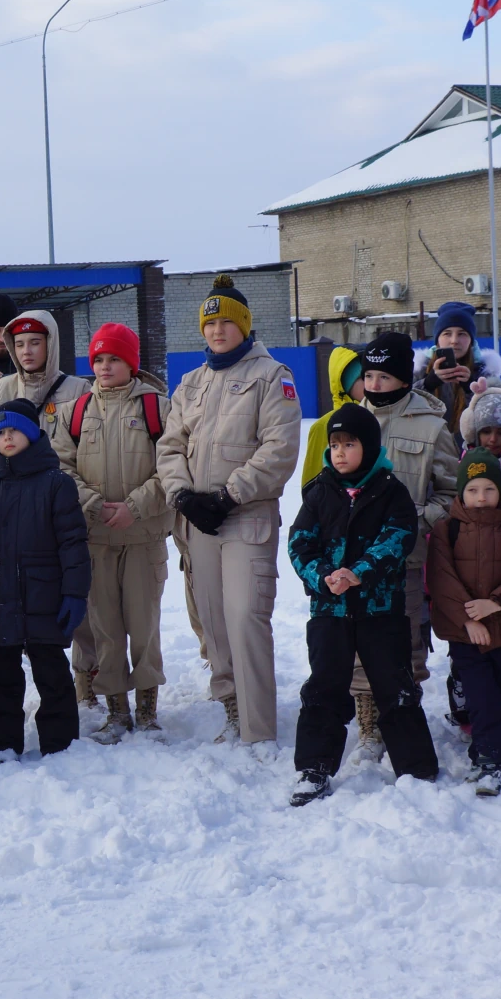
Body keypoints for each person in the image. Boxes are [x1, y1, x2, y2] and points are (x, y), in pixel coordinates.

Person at [156, 274, 302, 744]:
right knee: (214, 622)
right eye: (209, 323)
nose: (217, 330)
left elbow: (279, 449)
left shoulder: (272, 377)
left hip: (245, 518)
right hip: (199, 520)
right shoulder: (191, 382)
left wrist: (228, 495)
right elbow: (169, 446)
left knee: (244, 616)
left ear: (244, 325)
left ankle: (258, 728)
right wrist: (182, 496)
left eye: (226, 322)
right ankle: (232, 708)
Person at [286, 404, 439, 805]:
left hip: (379, 611)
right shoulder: (319, 491)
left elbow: (399, 538)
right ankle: (312, 769)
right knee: (323, 689)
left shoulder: (391, 492)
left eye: (349, 444)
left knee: (396, 687)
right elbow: (300, 542)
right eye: (334, 444)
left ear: (369, 447)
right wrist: (322, 576)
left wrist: (360, 571)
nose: (339, 452)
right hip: (330, 613)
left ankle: (416, 766)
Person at [50, 323, 172, 742]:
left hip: (143, 539)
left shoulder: (159, 408)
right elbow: (60, 467)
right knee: (104, 629)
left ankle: (148, 711)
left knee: (143, 627)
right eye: (98, 359)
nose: (104, 366)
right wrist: (93, 504)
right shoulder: (76, 411)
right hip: (96, 539)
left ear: (131, 363)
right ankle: (116, 710)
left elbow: (172, 468)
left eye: (114, 358)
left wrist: (135, 506)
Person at [349, 331, 457, 762]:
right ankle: (369, 727)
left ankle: (401, 721)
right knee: (358, 645)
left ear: (403, 376)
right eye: (368, 375)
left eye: (383, 375)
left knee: (405, 645)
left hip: (407, 560)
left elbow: (450, 495)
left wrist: (412, 522)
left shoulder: (432, 425)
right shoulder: (350, 421)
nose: (373, 384)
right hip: (355, 561)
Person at [0, 399, 91, 759]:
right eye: (1, 433)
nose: (7, 438)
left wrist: (74, 594)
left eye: (15, 431)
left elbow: (73, 543)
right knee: (1, 679)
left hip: (44, 597)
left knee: (52, 674)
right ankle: (3, 746)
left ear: (31, 434)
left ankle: (60, 746)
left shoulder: (57, 483)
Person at [428, 449, 501, 795]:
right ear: (461, 491)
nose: (481, 497)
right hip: (466, 636)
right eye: (473, 489)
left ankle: (488, 747)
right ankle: (493, 762)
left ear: (500, 489)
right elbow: (441, 579)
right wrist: (467, 619)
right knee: (481, 698)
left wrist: (495, 603)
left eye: (489, 489)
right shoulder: (446, 529)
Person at [0, 310, 88, 448]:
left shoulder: (78, 389)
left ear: (50, 344)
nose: (26, 351)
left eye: (35, 343)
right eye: (19, 345)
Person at [414, 301, 501, 446]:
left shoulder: (486, 375)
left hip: (470, 457)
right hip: (427, 455)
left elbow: (497, 420)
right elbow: (403, 409)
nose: (454, 341)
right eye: (447, 334)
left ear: (471, 340)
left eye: (462, 334)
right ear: (437, 340)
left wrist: (471, 388)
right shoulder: (418, 372)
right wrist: (428, 383)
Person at [299, 340, 365, 487]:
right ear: (344, 383)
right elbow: (311, 481)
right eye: (362, 378)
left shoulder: (381, 416)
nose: (371, 383)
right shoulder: (324, 425)